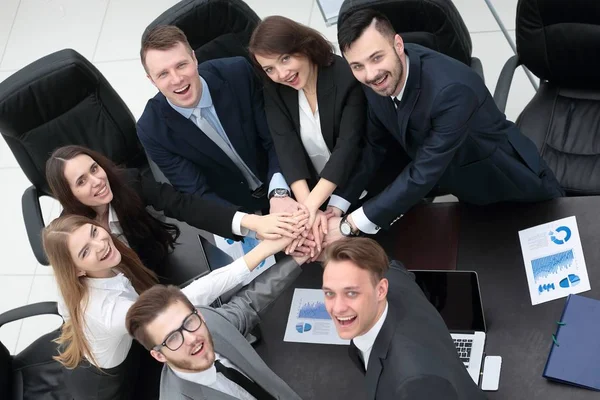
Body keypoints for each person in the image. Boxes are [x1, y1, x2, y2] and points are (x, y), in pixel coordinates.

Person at [331, 9, 564, 238]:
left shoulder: (451, 91)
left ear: (398, 45)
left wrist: (351, 223)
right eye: (357, 66)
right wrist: (338, 205)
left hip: (506, 181)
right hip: (460, 188)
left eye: (376, 57)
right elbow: (374, 145)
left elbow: (422, 173)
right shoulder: (374, 79)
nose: (370, 74)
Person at [43, 214, 295, 400]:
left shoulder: (94, 268)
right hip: (106, 385)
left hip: (102, 352)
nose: (101, 244)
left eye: (94, 232)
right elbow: (188, 299)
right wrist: (263, 251)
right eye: (85, 251)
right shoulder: (109, 314)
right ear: (76, 269)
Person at [46, 145, 309, 279]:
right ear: (69, 195)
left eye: (94, 169)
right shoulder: (71, 235)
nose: (97, 181)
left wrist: (252, 222)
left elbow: (182, 204)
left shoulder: (126, 182)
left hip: (153, 266)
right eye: (81, 181)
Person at [137, 25, 304, 217]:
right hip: (236, 213)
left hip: (286, 177)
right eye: (163, 74)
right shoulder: (151, 130)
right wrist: (250, 224)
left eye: (181, 65)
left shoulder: (238, 73)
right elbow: (197, 192)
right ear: (151, 80)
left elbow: (276, 138)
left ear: (194, 57)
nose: (177, 79)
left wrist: (279, 193)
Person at [249, 16, 366, 254]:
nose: (281, 74)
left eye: (285, 59)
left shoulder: (344, 75)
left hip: (361, 186)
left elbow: (348, 147)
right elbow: (285, 145)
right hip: (317, 195)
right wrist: (310, 209)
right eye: (269, 69)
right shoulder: (275, 88)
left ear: (304, 46)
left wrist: (309, 209)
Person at [321, 237, 486, 399]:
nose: (338, 308)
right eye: (329, 293)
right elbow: (394, 266)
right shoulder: (394, 276)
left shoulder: (414, 382)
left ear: (381, 290)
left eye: (351, 293)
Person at [125, 256, 307, 399]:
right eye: (172, 338)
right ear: (159, 355)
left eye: (188, 322)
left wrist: (298, 259)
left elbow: (249, 304)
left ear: (200, 315)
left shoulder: (210, 323)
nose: (191, 338)